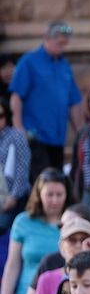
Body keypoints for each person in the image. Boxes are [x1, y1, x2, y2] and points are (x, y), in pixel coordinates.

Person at [0, 168, 76, 294]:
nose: (54, 200)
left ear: (67, 195)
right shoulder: (23, 222)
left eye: (59, 194)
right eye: (49, 194)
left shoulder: (74, 225)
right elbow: (12, 265)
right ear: (39, 195)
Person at [9, 21, 83, 182]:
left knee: (56, 178)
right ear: (48, 39)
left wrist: (80, 132)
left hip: (57, 137)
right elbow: (16, 96)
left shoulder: (65, 66)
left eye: (65, 44)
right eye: (59, 43)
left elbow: (73, 102)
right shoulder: (29, 61)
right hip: (35, 136)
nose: (63, 47)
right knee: (43, 180)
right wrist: (18, 127)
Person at [0, 95, 32, 235]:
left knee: (4, 229)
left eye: (0, 115)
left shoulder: (15, 136)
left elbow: (22, 170)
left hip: (13, 197)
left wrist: (13, 197)